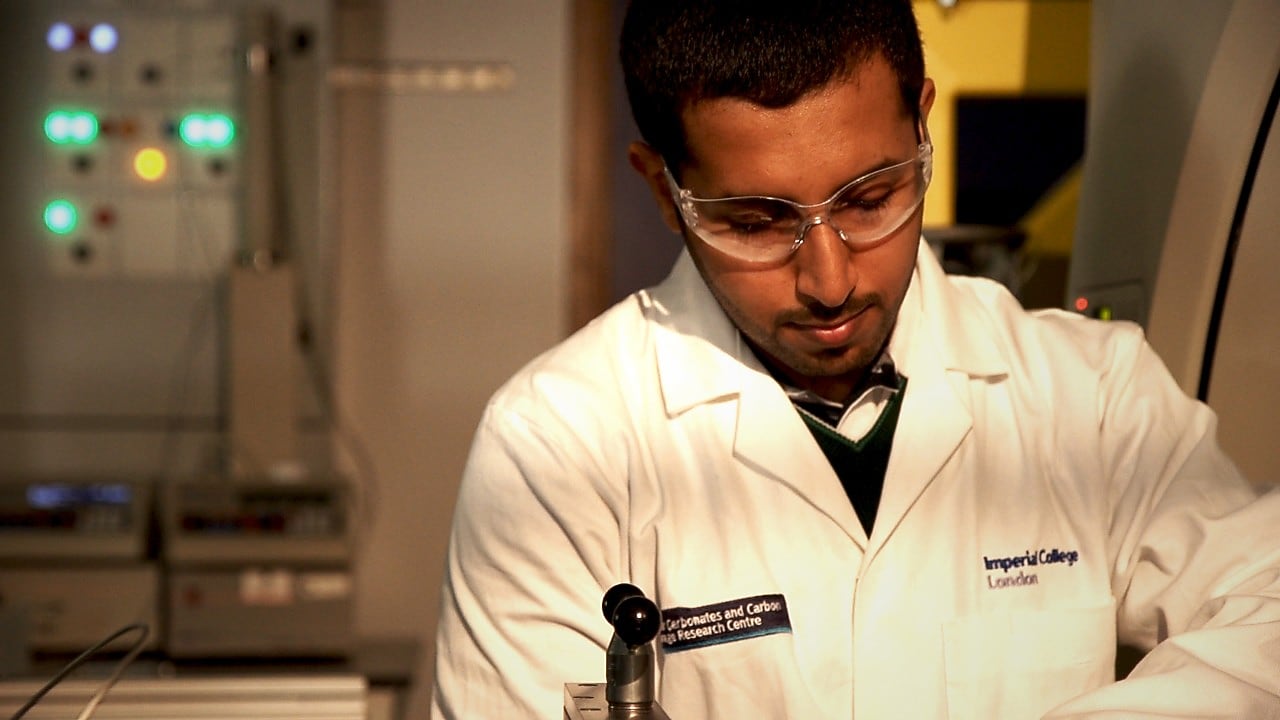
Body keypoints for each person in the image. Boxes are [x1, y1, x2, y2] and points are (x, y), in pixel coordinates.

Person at [430, 1, 1280, 717]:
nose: (830, 281)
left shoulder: (1092, 396)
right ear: (664, 191)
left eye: (872, 198)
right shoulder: (558, 441)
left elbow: (1265, 616)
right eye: (757, 221)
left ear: (922, 124)